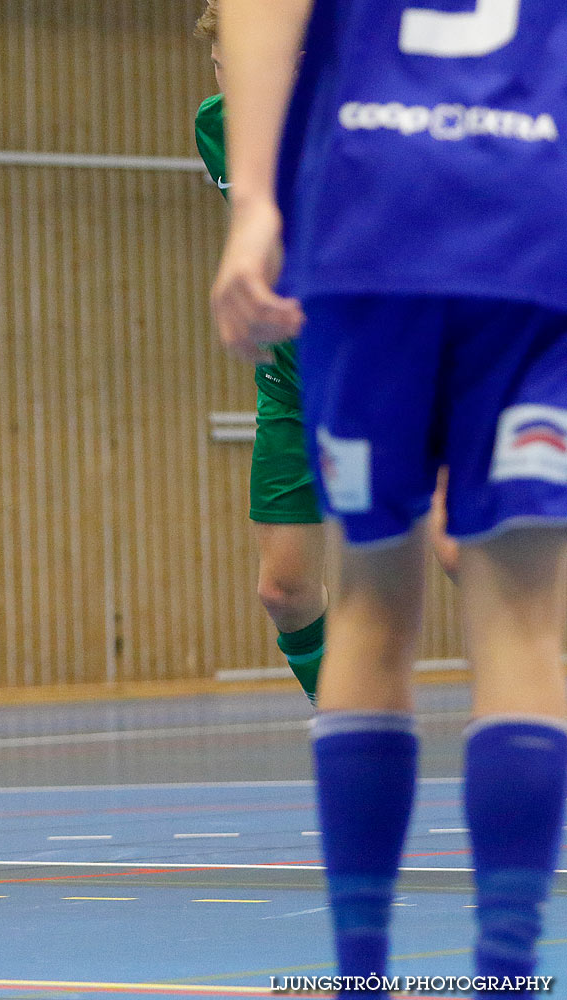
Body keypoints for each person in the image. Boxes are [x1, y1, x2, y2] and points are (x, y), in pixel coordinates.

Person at [212, 0, 567, 986]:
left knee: (370, 602)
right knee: (527, 620)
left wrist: (254, 206)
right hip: (533, 214)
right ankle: (505, 975)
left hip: (370, 217)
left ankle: (361, 975)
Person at [195, 0, 327, 706]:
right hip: (293, 385)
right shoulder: (216, 128)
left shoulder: (353, 124)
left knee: (462, 553)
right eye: (223, 69)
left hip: (389, 365)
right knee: (285, 590)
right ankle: (348, 731)